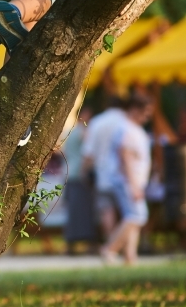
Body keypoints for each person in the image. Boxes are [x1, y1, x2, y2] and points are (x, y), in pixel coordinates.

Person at [101, 94, 154, 265]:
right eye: (145, 112)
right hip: (127, 181)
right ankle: (110, 249)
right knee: (137, 216)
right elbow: (126, 157)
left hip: (132, 181)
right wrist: (134, 185)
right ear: (134, 110)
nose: (147, 117)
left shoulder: (133, 128)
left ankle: (130, 257)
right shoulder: (127, 129)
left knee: (132, 217)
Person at [81, 99, 127, 242]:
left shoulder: (97, 122)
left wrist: (84, 172)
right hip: (124, 174)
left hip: (103, 175)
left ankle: (111, 241)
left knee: (107, 210)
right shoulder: (127, 122)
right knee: (127, 211)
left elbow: (89, 153)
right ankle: (125, 243)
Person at [62, 106, 95, 252]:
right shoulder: (83, 132)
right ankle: (85, 244)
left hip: (70, 174)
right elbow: (88, 154)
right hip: (79, 175)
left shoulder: (72, 132)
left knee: (74, 211)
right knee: (82, 212)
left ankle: (71, 244)